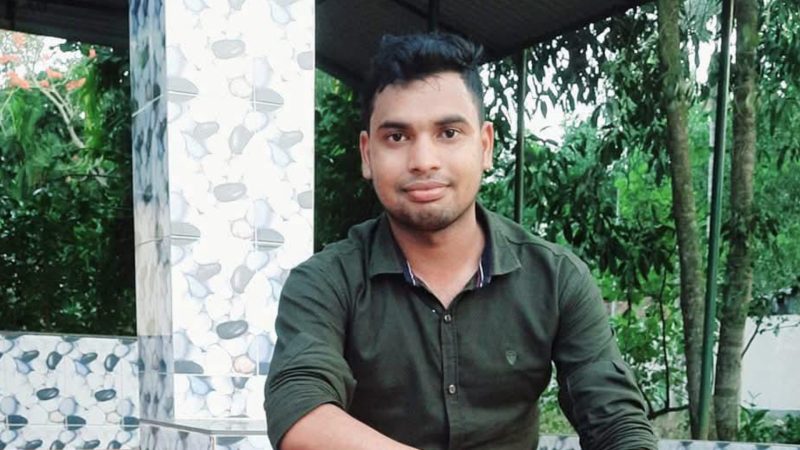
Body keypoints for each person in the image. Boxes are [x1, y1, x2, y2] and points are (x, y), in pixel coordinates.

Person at [265, 32, 658, 450]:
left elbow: (616, 422)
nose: (423, 161)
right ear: (367, 154)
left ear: (485, 146)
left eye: (449, 133)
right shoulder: (326, 281)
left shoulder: (556, 278)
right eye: (397, 137)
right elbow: (301, 411)